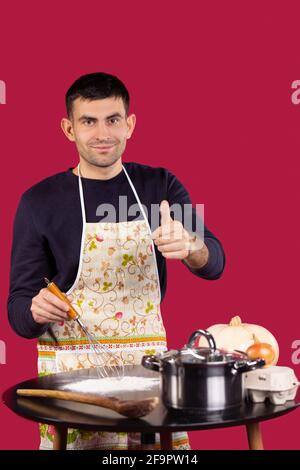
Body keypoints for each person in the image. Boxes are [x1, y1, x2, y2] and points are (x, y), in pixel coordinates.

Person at [7, 72, 225, 450]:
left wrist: (190, 246)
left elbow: (215, 262)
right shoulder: (37, 201)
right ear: (68, 128)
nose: (102, 133)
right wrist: (35, 309)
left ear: (130, 125)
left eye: (113, 120)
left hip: (148, 375)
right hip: (72, 385)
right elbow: (17, 313)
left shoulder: (160, 186)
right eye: (88, 121)